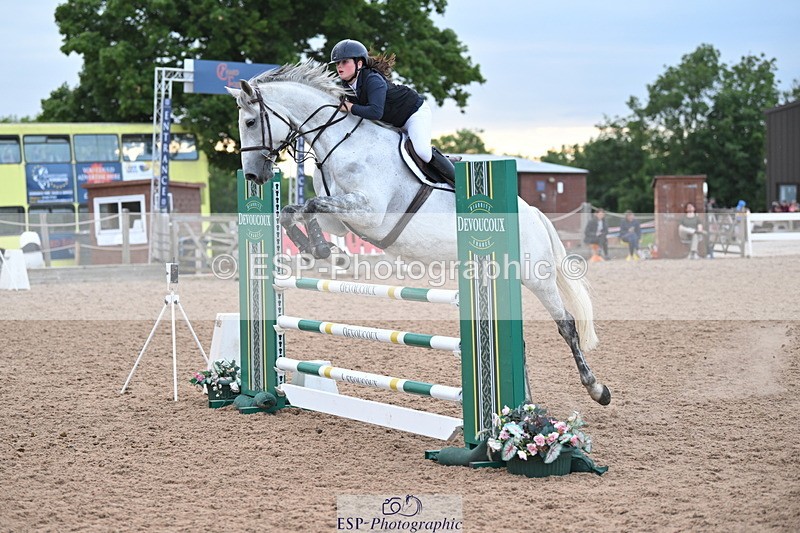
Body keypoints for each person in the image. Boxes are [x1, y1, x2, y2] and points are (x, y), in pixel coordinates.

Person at [330, 39, 454, 180]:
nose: (339, 66)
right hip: (393, 122)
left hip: (413, 113)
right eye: (337, 63)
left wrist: (350, 107)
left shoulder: (373, 80)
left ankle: (457, 181)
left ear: (359, 63)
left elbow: (375, 112)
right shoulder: (346, 85)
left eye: (344, 62)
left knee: (423, 152)